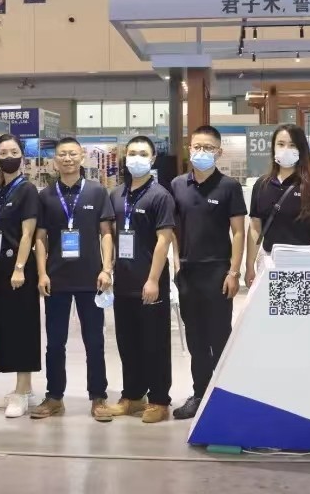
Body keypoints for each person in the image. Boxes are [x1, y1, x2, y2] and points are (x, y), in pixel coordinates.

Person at [32, 137, 115, 422]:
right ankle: (54, 397)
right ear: (55, 160)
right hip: (56, 280)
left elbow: (106, 233)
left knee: (95, 341)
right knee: (55, 343)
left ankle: (98, 397)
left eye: (72, 154)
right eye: (62, 154)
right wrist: (42, 273)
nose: (67, 158)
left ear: (82, 157)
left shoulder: (96, 192)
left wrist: (106, 268)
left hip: (91, 279)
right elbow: (40, 238)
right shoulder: (45, 195)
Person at [96, 135, 175, 424]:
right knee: (127, 342)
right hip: (124, 282)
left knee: (155, 343)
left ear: (152, 159)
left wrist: (153, 280)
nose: (136, 158)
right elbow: (109, 235)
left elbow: (164, 240)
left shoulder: (160, 196)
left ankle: (159, 400)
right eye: (132, 153)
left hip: (150, 283)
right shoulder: (116, 195)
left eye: (143, 153)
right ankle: (132, 396)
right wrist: (107, 268)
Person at [169, 125, 246, 420]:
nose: (201, 152)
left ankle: (225, 394)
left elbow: (238, 232)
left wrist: (234, 272)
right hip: (188, 272)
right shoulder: (177, 185)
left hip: (218, 272)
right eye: (196, 146)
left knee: (220, 336)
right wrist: (177, 262)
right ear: (189, 148)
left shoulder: (229, 186)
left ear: (219, 152)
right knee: (196, 338)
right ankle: (200, 394)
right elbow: (171, 229)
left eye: (208, 148)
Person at [0, 133, 41, 419]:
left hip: (18, 270)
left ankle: (21, 392)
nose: (9, 157)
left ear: (22, 155)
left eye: (14, 152)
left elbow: (28, 233)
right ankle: (25, 389)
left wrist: (19, 268)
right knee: (8, 328)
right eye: (3, 152)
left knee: (22, 329)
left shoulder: (27, 189)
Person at [246, 124, 310, 289]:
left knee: (301, 304)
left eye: (292, 145)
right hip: (270, 262)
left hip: (306, 262)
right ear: (273, 148)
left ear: (301, 149)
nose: (286, 149)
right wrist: (249, 265)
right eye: (281, 144)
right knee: (271, 305)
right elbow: (255, 228)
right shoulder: (262, 184)